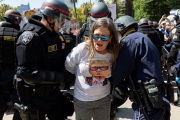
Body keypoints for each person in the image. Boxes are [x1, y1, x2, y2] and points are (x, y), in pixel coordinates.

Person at [14, 0, 74, 120]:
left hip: (52, 94)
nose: (62, 25)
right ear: (50, 18)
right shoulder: (30, 37)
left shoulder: (56, 36)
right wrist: (60, 77)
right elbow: (26, 73)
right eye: (60, 20)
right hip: (32, 96)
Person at [113, 15, 170, 120]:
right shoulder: (142, 38)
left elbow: (120, 71)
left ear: (122, 27)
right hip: (156, 96)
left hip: (146, 101)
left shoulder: (129, 41)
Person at [65, 17, 119, 120]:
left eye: (104, 37)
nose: (99, 40)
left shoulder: (113, 53)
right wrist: (78, 74)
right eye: (96, 36)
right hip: (82, 101)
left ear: (110, 38)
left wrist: (109, 72)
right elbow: (69, 65)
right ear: (92, 34)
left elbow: (117, 72)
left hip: (104, 100)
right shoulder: (82, 49)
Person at [0, 9, 22, 120]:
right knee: (18, 102)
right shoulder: (19, 34)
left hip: (1, 71)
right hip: (14, 71)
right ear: (15, 19)